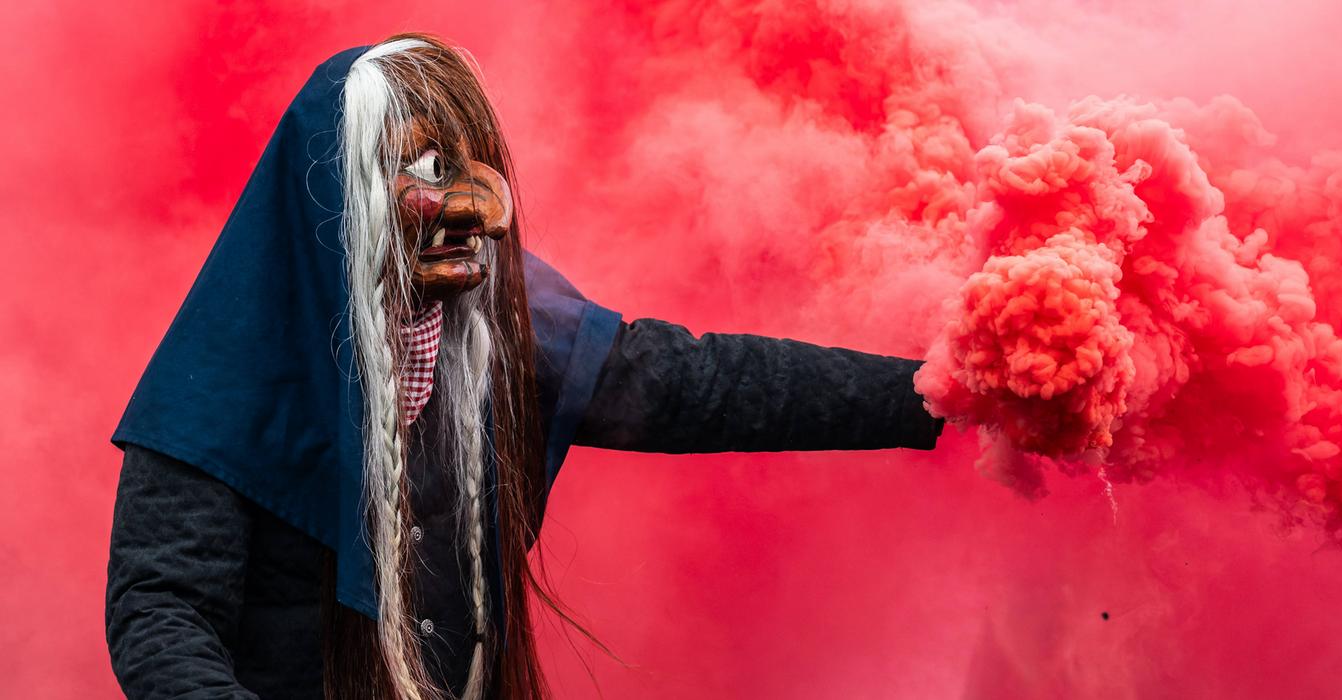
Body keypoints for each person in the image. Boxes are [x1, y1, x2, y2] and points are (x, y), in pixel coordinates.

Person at [105, 34, 943, 699]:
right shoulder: (217, 389)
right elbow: (162, 615)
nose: (484, 210)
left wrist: (941, 389)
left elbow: (698, 386)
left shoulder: (501, 332)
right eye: (428, 168)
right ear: (337, 194)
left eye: (479, 167)